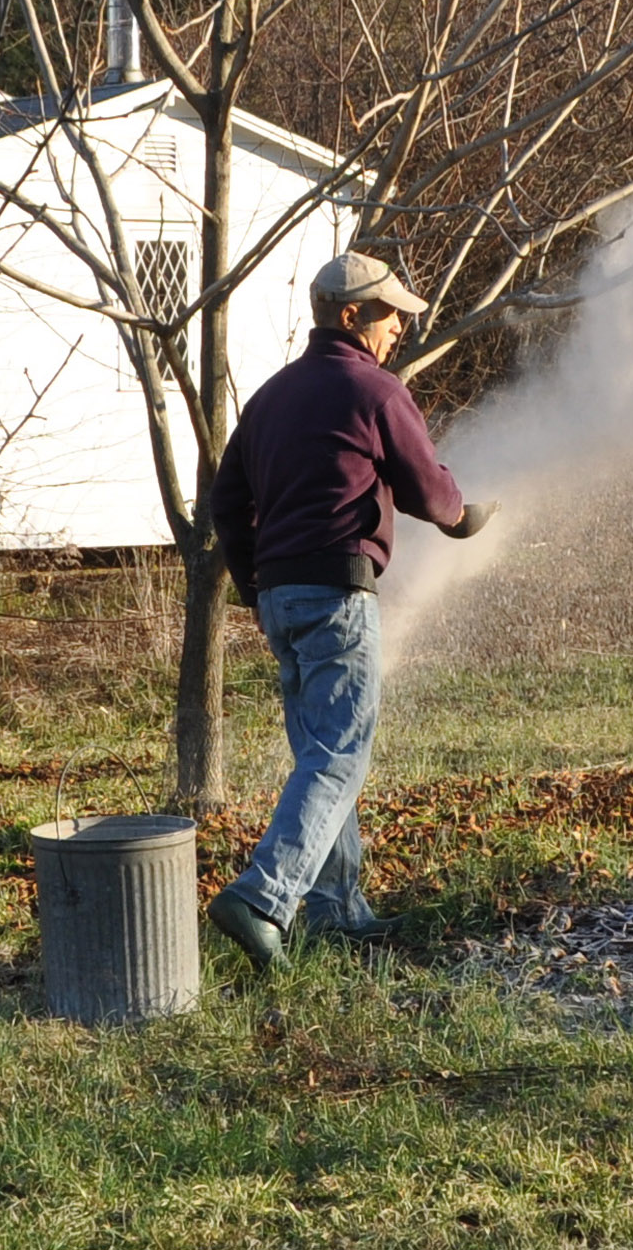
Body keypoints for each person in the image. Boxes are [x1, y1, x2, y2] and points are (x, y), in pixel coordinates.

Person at [205, 251, 493, 970]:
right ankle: (262, 896)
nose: (399, 327)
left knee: (318, 753)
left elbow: (225, 503)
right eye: (390, 313)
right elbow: (430, 493)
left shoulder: (270, 397)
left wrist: (254, 583)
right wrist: (464, 517)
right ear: (351, 315)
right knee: (340, 753)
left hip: (281, 596)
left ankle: (335, 909)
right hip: (338, 591)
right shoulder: (374, 389)